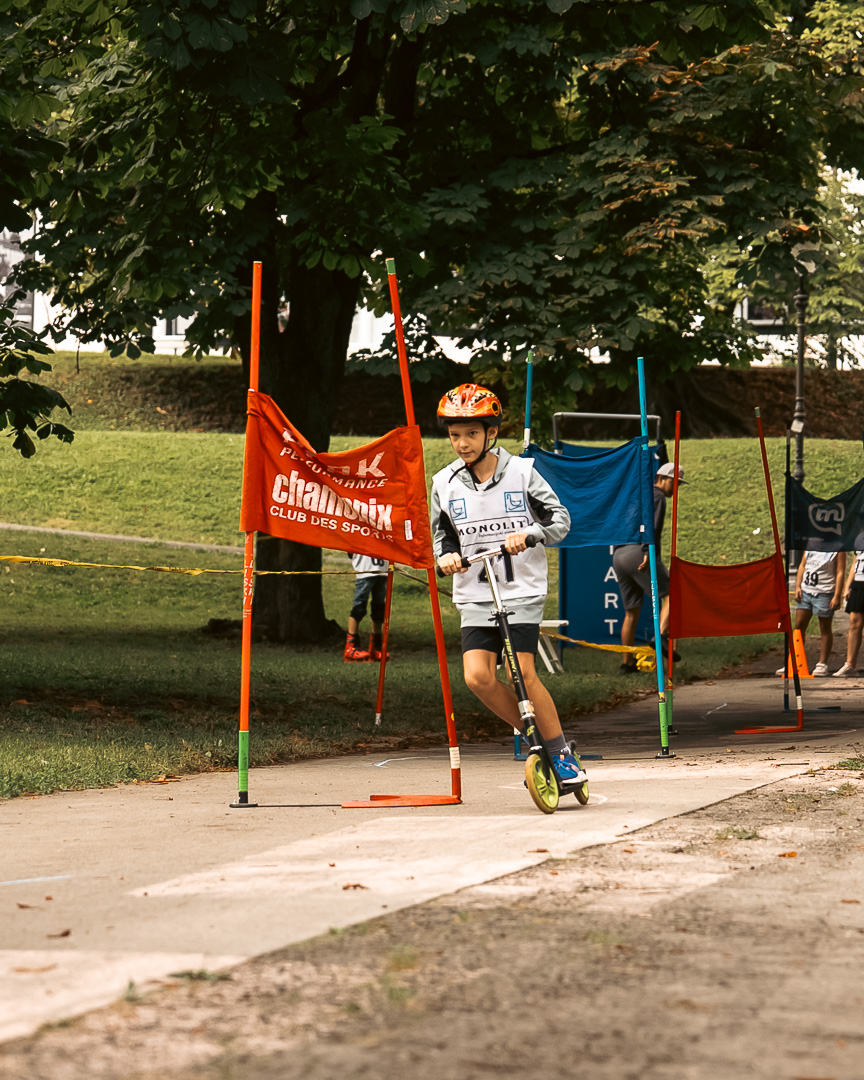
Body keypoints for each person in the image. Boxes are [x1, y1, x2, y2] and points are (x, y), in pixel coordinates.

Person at [430, 382, 587, 791]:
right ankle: (541, 738)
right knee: (477, 678)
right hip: (474, 592)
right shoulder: (443, 483)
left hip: (520, 591)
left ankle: (560, 754)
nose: (462, 443)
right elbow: (441, 536)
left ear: (491, 433)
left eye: (471, 434)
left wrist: (530, 535)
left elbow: (560, 521)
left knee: (523, 673)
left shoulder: (522, 472)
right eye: (454, 434)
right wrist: (445, 557)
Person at [612, 460, 687, 674]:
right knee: (673, 594)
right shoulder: (658, 496)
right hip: (639, 552)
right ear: (662, 479)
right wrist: (647, 551)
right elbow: (652, 526)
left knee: (631, 612)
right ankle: (660, 636)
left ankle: (627, 664)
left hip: (619, 554)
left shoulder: (637, 497)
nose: (677, 488)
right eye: (675, 482)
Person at [775, 550, 846, 676]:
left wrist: (837, 595)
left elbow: (840, 572)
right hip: (806, 591)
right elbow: (803, 565)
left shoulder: (838, 548)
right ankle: (793, 660)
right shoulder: (810, 545)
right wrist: (797, 586)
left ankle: (822, 663)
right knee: (799, 625)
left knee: (824, 627)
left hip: (825, 592)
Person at [344, 553, 390, 663]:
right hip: (365, 570)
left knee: (379, 608)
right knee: (359, 606)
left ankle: (376, 647)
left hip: (383, 570)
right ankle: (351, 646)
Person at [833, 549, 864, 677]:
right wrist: (847, 586)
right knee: (854, 623)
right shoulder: (860, 537)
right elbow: (855, 562)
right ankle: (850, 664)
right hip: (859, 584)